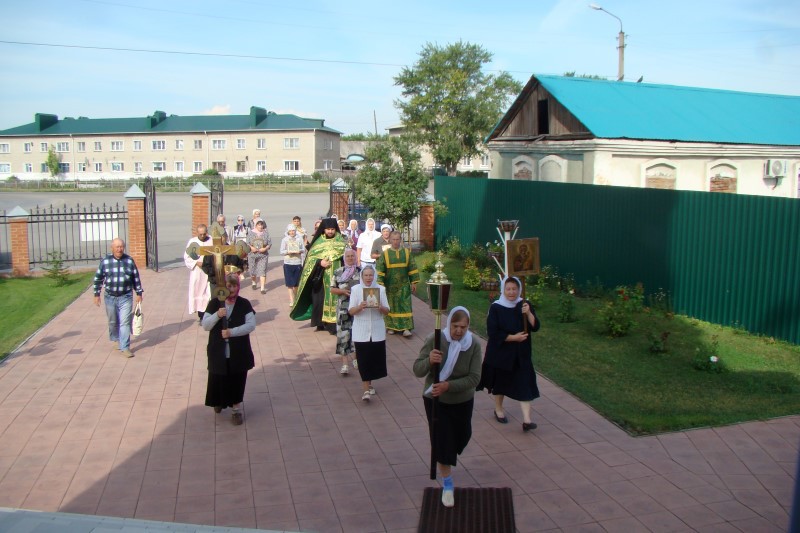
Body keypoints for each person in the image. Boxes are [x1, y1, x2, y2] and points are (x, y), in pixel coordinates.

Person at [413, 306, 482, 508]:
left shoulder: (473, 345)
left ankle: (449, 455)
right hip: (436, 401)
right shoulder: (434, 340)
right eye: (455, 326)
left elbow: (475, 378)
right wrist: (429, 360)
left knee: (462, 437)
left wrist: (449, 386)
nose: (459, 331)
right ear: (448, 323)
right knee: (443, 443)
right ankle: (448, 485)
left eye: (463, 327)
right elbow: (417, 369)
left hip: (462, 400)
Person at [476, 277, 541, 432]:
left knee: (524, 383)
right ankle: (498, 409)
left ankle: (527, 420)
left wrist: (528, 313)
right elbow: (493, 332)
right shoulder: (496, 307)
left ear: (519, 290)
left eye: (514, 289)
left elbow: (535, 326)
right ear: (503, 290)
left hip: (521, 353)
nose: (511, 292)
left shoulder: (524, 304)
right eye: (508, 289)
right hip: (502, 353)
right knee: (501, 383)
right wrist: (513, 338)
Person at [201, 274, 256, 425]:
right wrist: (217, 315)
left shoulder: (244, 304)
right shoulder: (214, 303)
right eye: (228, 286)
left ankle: (236, 409)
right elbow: (205, 325)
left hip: (238, 351)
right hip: (218, 350)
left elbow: (251, 325)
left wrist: (232, 332)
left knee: (237, 379)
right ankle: (218, 401)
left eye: (234, 286)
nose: (231, 289)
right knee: (218, 377)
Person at [290, 218, 346, 334]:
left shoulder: (341, 241)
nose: (330, 231)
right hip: (321, 277)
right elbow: (310, 259)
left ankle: (334, 325)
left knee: (337, 300)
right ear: (324, 229)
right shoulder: (318, 242)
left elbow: (346, 258)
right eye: (328, 229)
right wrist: (320, 263)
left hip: (338, 277)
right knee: (320, 300)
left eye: (332, 229)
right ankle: (321, 323)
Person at [92, 238, 143, 358]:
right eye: (117, 247)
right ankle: (116, 338)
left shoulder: (129, 260)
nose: (119, 249)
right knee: (113, 321)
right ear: (112, 248)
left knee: (125, 322)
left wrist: (139, 293)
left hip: (126, 296)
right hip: (110, 297)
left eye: (121, 247)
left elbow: (135, 277)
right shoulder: (105, 261)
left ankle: (125, 347)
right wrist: (96, 294)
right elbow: (98, 278)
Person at [348, 265, 390, 401]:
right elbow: (351, 311)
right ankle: (365, 390)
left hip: (377, 330)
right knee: (363, 359)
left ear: (374, 276)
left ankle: (370, 383)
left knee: (374, 359)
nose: (368, 278)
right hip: (361, 330)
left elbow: (387, 311)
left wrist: (380, 307)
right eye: (366, 275)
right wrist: (360, 307)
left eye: (370, 275)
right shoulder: (355, 289)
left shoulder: (381, 289)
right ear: (361, 276)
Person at [376, 230, 420, 337]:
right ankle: (392, 327)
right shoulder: (385, 254)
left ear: (400, 240)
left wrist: (414, 282)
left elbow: (412, 267)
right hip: (389, 286)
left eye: (397, 239)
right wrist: (380, 284)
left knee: (405, 305)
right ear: (390, 240)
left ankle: (406, 328)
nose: (395, 242)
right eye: (393, 239)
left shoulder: (406, 253)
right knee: (391, 305)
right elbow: (380, 269)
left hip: (404, 285)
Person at [330, 248, 361, 375]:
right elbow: (332, 289)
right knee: (343, 334)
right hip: (343, 308)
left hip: (358, 309)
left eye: (352, 256)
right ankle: (344, 364)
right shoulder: (338, 272)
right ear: (344, 258)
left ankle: (356, 359)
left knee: (357, 334)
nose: (350, 258)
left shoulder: (361, 271)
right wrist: (342, 291)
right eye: (347, 256)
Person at [183, 224, 211, 322]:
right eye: (200, 234)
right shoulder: (192, 242)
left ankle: (208, 314)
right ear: (197, 233)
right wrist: (196, 262)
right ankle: (201, 315)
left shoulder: (211, 240)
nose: (202, 236)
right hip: (197, 271)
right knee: (198, 292)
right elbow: (187, 257)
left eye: (204, 234)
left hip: (209, 271)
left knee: (208, 293)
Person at [280, 223, 304, 306]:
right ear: (288, 231)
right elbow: (281, 251)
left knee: (297, 283)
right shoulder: (285, 240)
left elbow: (303, 249)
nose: (292, 232)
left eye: (293, 230)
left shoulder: (299, 238)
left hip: (297, 262)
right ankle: (291, 300)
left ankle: (296, 297)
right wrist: (288, 252)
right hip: (288, 263)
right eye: (290, 231)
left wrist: (299, 251)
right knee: (289, 283)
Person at [247, 220, 271, 294]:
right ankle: (254, 282)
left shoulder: (266, 233)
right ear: (256, 225)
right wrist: (251, 247)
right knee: (252, 270)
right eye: (259, 225)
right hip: (252, 255)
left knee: (262, 270)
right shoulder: (251, 233)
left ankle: (262, 288)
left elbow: (269, 243)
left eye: (261, 225)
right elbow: (247, 243)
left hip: (263, 255)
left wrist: (265, 248)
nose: (260, 226)